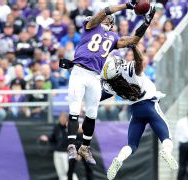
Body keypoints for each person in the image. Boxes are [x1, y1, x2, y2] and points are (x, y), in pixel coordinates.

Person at [65, 1, 157, 165]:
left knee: (92, 114)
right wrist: (126, 5)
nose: (105, 18)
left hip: (94, 76)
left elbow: (133, 40)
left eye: (108, 18)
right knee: (74, 109)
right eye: (105, 17)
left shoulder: (113, 37)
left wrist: (147, 22)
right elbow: (103, 11)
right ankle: (71, 145)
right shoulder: (90, 26)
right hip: (79, 71)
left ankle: (85, 148)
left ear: (112, 22)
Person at [100, 45, 178, 180]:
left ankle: (119, 158)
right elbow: (140, 61)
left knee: (132, 145)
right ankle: (166, 151)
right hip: (150, 105)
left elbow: (98, 97)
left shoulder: (113, 84)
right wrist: (134, 48)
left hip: (135, 112)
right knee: (166, 137)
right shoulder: (130, 70)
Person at [40, 112, 69, 180]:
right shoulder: (57, 127)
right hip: (57, 152)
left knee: (68, 171)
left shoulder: (70, 127)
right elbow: (53, 138)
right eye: (60, 117)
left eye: (63, 117)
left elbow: (75, 140)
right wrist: (47, 138)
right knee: (60, 172)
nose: (61, 119)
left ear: (66, 118)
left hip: (66, 153)